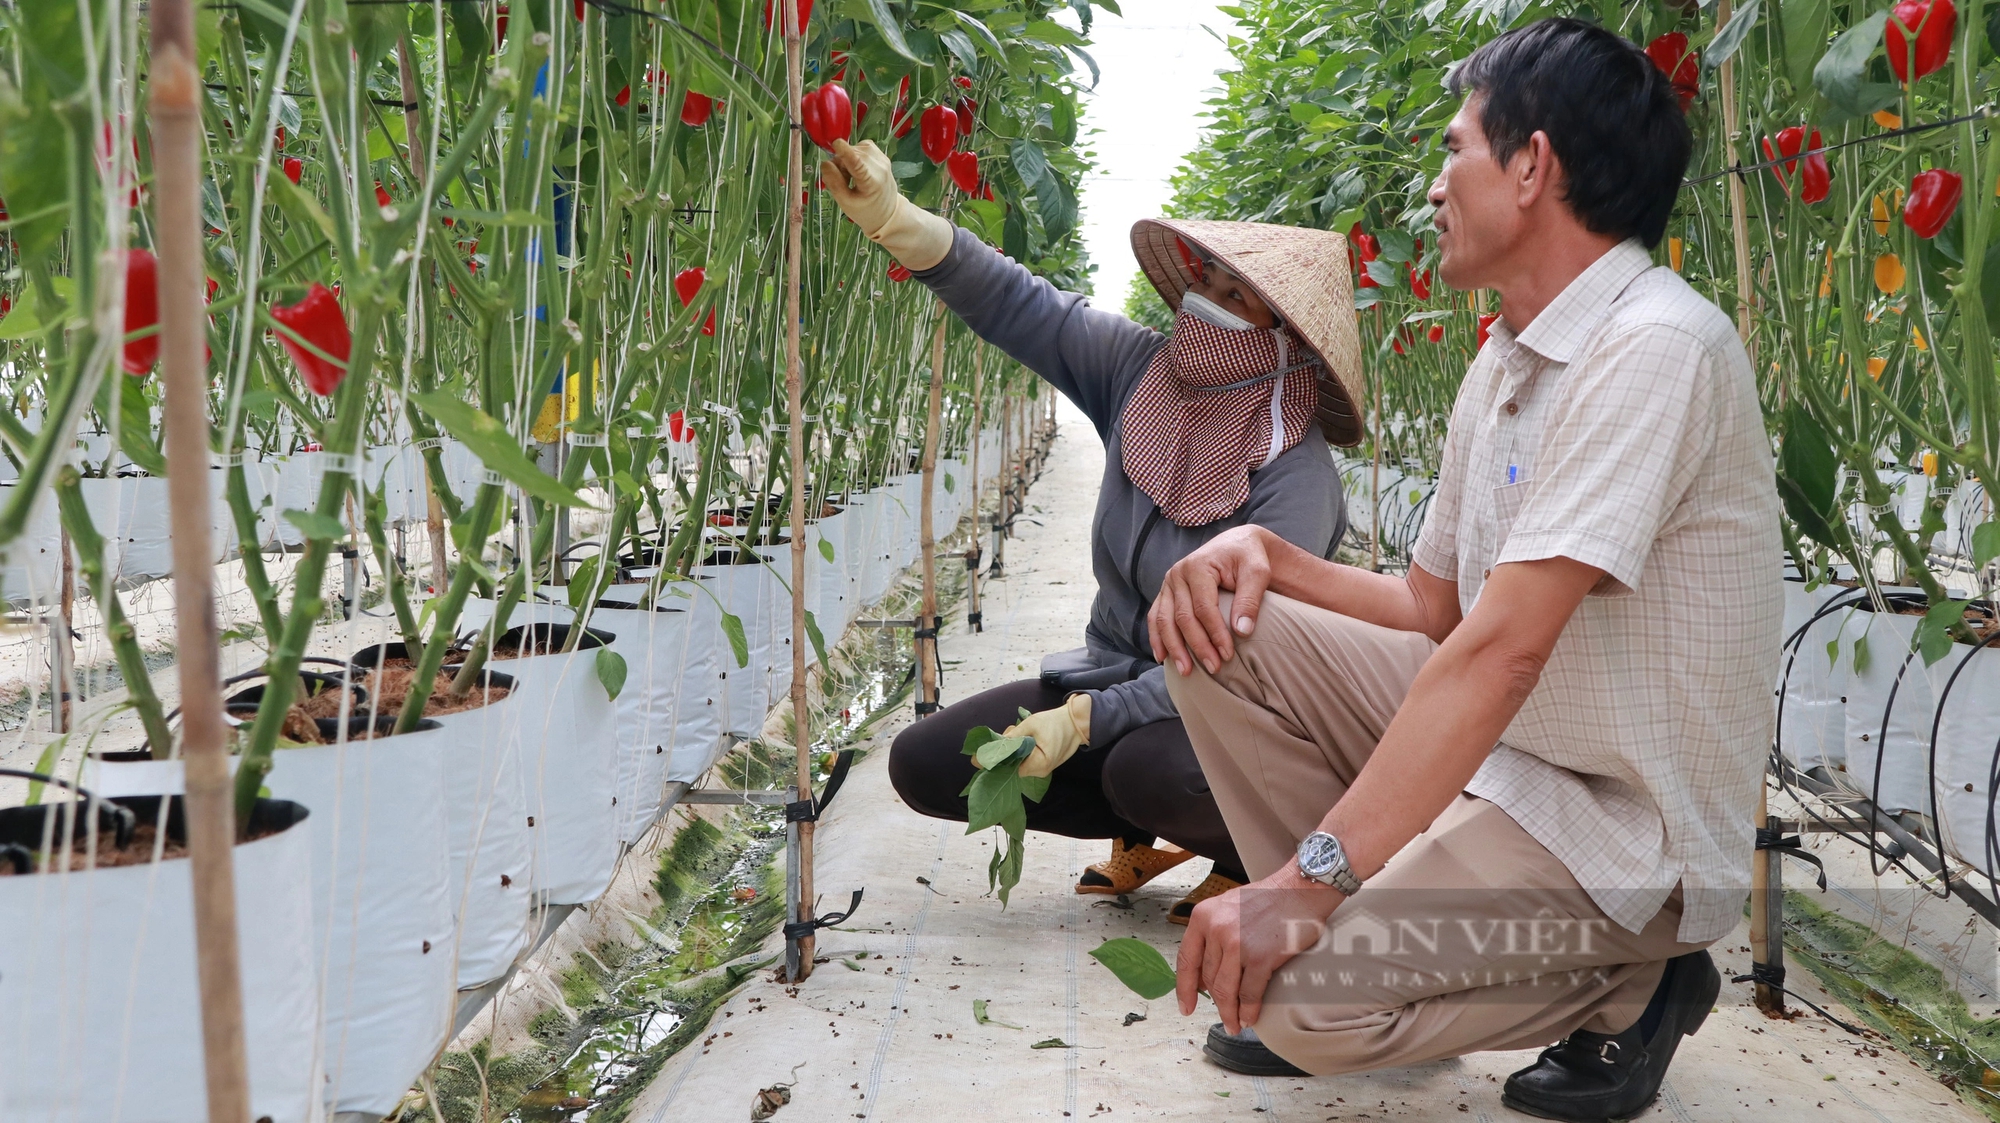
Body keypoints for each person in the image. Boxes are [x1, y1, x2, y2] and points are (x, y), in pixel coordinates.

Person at [1149, 19, 1779, 1123]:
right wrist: (1263, 554)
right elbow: (1428, 605)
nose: (1433, 187)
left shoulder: (1654, 348)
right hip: (1514, 762)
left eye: (1454, 150)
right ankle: (1364, 928)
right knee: (1221, 626)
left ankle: (1638, 980)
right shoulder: (1505, 352)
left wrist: (1301, 887)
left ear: (1530, 165)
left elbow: (1498, 649)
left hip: (1622, 825)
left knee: (1299, 1009)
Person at [819, 138, 1365, 921]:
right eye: (1206, 279)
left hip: (1243, 715)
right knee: (929, 763)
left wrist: (1082, 723)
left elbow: (1235, 661)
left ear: (1285, 339)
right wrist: (902, 224)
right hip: (1111, 672)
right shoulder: (1142, 372)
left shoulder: (1296, 476)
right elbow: (1026, 307)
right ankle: (1147, 828)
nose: (1205, 299)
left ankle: (1257, 851)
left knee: (1147, 768)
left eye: (1234, 297)